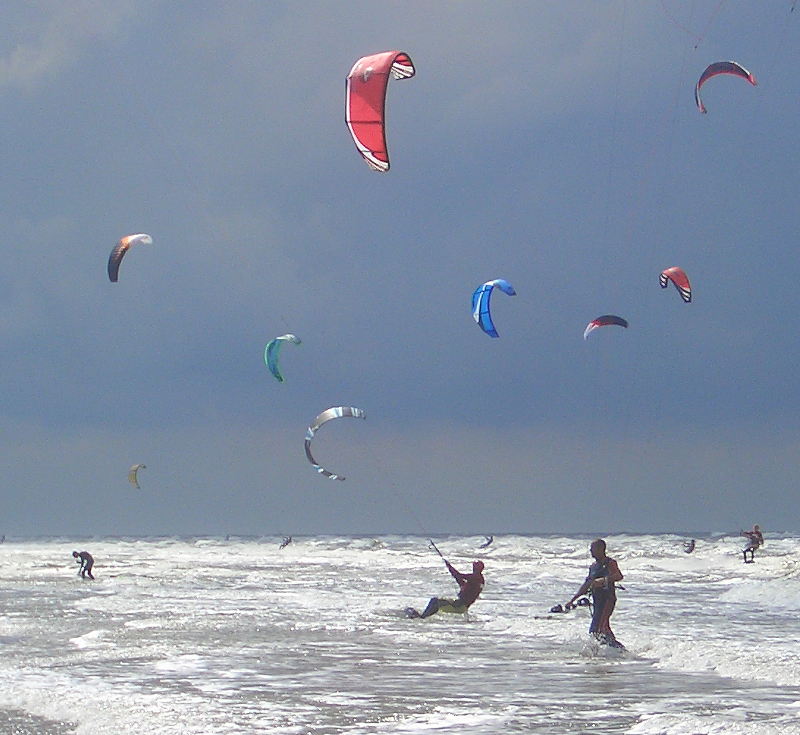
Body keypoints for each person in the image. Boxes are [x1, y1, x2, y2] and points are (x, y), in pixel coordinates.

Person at [566, 539, 624, 647]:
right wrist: (572, 600)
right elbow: (587, 584)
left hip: (607, 600)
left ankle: (605, 651)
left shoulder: (610, 563)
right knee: (603, 628)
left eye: (593, 549)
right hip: (597, 601)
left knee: (597, 629)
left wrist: (603, 580)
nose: (590, 551)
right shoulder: (593, 566)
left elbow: (618, 576)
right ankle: (616, 650)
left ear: (601, 549)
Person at [411, 560, 485, 618]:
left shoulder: (476, 577)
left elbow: (459, 575)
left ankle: (422, 617)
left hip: (459, 606)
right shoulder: (478, 580)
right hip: (462, 606)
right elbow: (460, 580)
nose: (473, 567)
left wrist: (449, 566)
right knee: (437, 602)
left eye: (475, 566)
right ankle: (424, 616)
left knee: (435, 601)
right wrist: (450, 569)